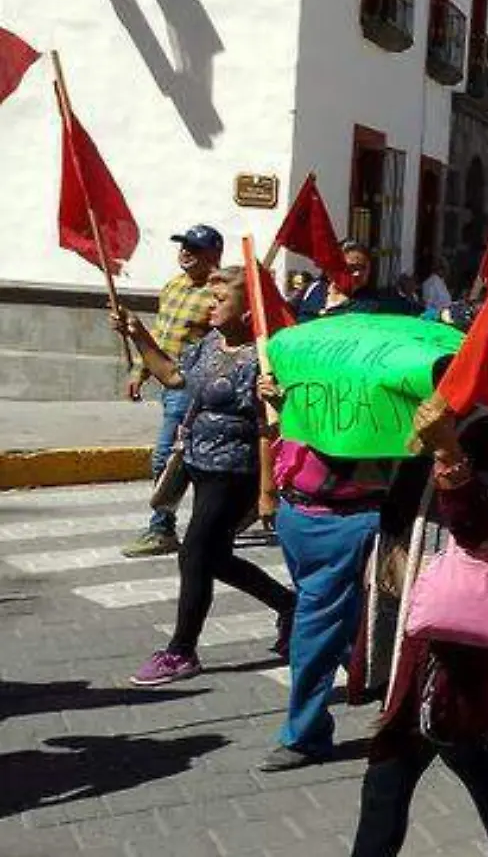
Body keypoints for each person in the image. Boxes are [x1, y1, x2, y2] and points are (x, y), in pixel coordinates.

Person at [349, 403, 488, 857]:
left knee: (423, 743)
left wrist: (449, 448)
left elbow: (479, 527)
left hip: (451, 630)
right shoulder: (417, 414)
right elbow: (370, 479)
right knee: (441, 743)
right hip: (402, 614)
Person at [114, 267, 296, 686]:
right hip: (199, 462)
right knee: (212, 556)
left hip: (237, 470)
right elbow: (174, 377)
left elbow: (272, 427)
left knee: (195, 552)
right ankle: (288, 605)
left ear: (248, 308)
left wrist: (268, 491)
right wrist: (140, 335)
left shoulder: (264, 357)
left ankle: (182, 650)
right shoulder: (209, 344)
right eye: (209, 298)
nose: (209, 305)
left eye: (219, 299)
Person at [255, 437, 418, 770]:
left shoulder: (373, 392)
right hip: (299, 511)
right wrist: (268, 489)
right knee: (348, 619)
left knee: (315, 629)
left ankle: (305, 734)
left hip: (344, 516)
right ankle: (393, 693)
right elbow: (271, 430)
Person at [123, 225, 223, 558]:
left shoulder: (218, 294)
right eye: (183, 245)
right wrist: (141, 369)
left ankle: (161, 528)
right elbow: (160, 334)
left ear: (213, 254)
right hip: (166, 382)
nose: (185, 251)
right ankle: (216, 520)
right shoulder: (173, 286)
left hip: (193, 385)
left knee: (165, 457)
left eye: (194, 247)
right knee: (190, 459)